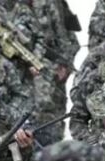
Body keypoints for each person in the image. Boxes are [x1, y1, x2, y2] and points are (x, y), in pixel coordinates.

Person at [30, 0, 81, 145]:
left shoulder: (52, 3)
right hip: (24, 69)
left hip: (50, 68)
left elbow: (66, 35)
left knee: (50, 117)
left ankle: (51, 151)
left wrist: (65, 63)